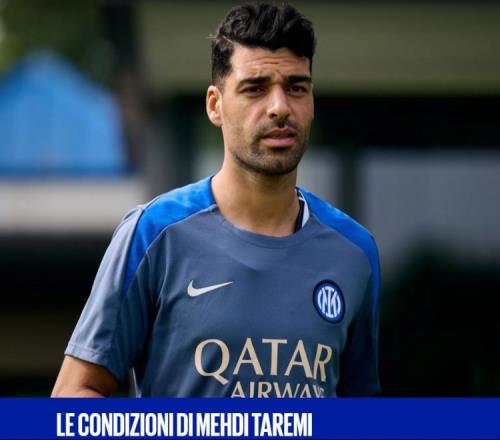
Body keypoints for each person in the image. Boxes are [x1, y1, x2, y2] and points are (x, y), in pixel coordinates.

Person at [52, 2, 380, 398]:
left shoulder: (354, 252)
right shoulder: (153, 234)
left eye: (296, 87)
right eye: (255, 88)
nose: (280, 107)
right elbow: (73, 395)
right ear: (215, 105)